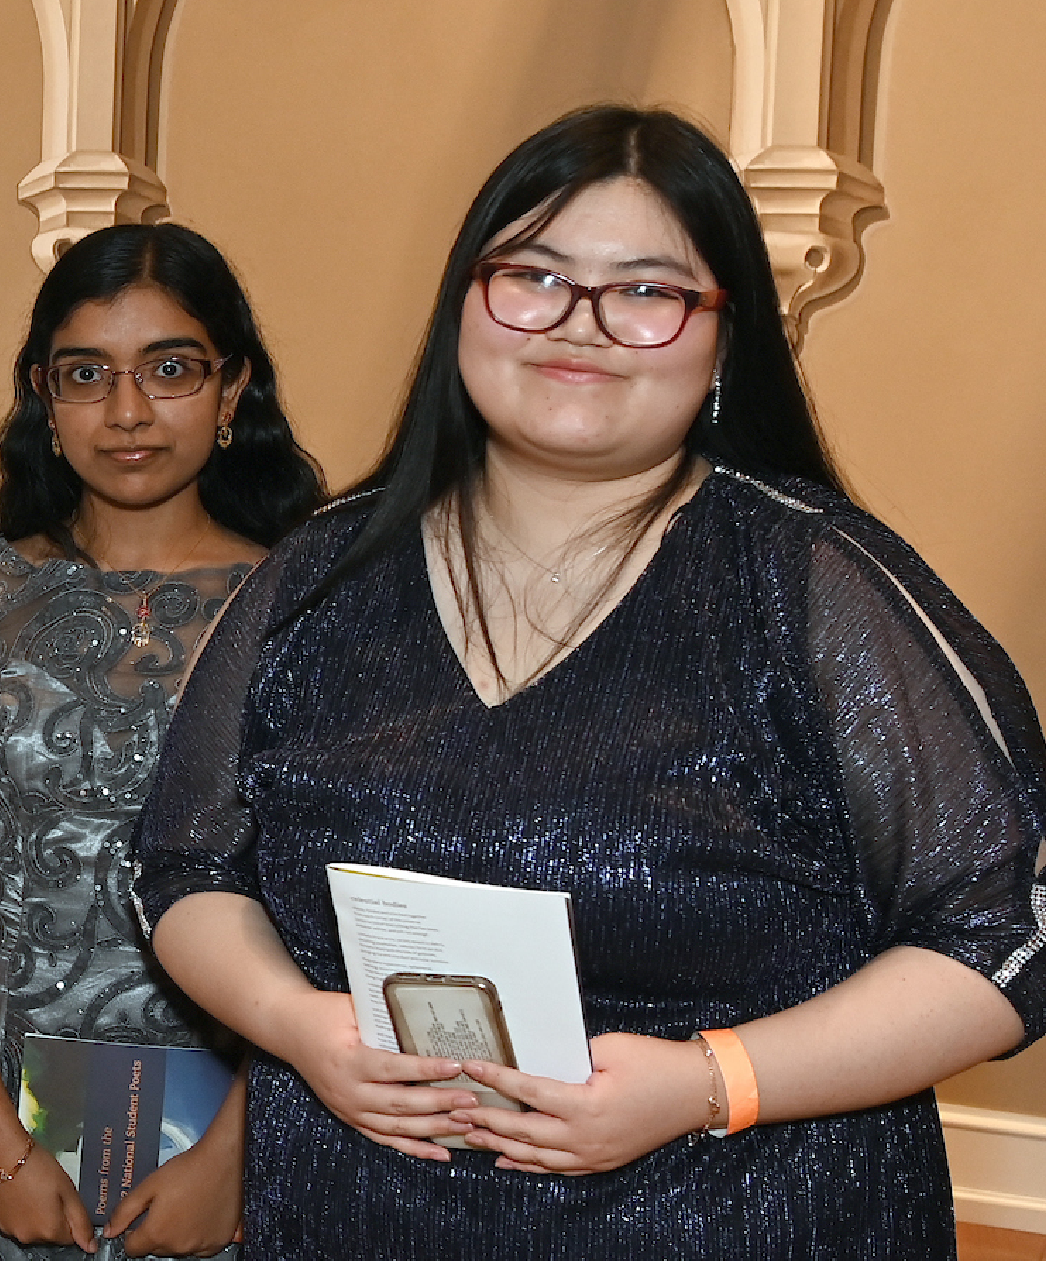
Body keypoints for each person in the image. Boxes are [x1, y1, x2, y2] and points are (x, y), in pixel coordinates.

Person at [136, 105, 1046, 1258]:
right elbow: (180, 862)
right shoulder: (322, 571)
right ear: (465, 298)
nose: (580, 325)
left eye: (647, 290)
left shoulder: (810, 582)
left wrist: (707, 1081)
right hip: (355, 1210)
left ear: (725, 334)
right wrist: (296, 1024)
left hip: (735, 1214)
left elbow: (1006, 931)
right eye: (533, 276)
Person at [0, 223, 323, 1261]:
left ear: (231, 392)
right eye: (86, 373)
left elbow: (325, 911)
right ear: (43, 401)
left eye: (170, 370)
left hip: (220, 1123)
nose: (127, 411)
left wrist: (234, 1153)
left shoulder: (306, 602)